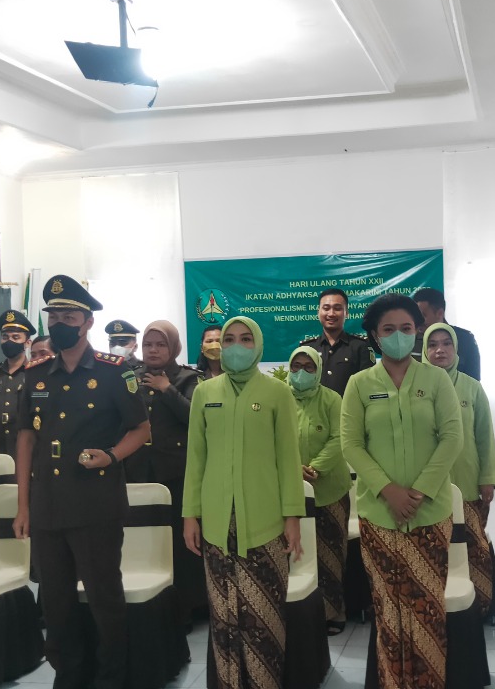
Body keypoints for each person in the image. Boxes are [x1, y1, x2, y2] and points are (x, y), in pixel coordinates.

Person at [13, 275, 151, 689]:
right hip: (48, 506)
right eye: (53, 316)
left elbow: (141, 429)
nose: (59, 324)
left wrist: (112, 455)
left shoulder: (114, 372)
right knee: (55, 603)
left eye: (68, 317)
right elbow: (26, 439)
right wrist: (23, 506)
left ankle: (111, 677)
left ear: (87, 322)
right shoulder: (36, 374)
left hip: (96, 504)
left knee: (104, 598)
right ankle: (69, 675)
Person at [340, 293, 462, 688]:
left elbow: (452, 438)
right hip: (379, 515)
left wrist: (420, 491)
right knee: (389, 612)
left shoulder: (436, 379)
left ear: (417, 331)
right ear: (375, 336)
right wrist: (388, 490)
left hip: (430, 513)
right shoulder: (360, 384)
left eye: (406, 328)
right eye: (388, 329)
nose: (398, 336)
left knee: (428, 611)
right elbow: (351, 445)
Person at [183, 316, 305, 689]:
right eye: (230, 339)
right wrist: (190, 515)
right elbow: (196, 458)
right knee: (224, 619)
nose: (237, 346)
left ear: (258, 345)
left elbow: (288, 458)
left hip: (265, 524)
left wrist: (292, 516)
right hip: (217, 524)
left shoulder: (277, 393)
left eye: (246, 339)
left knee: (264, 618)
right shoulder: (205, 392)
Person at [125, 319, 205, 621]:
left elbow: (196, 418)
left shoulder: (188, 378)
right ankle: (148, 608)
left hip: (176, 474)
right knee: (143, 542)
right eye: (148, 344)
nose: (153, 350)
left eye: (161, 344)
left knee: (179, 544)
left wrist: (167, 389)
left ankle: (184, 608)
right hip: (137, 472)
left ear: (173, 347)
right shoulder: (130, 377)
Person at [423, 322, 495, 617]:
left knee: (474, 544)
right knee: (437, 545)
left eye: (446, 343)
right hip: (429, 484)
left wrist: (487, 478)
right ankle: (440, 605)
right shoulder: (416, 387)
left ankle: (480, 606)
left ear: (456, 349)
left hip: (468, 479)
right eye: (432, 344)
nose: (439, 350)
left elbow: (485, 437)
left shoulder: (472, 387)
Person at [288, 345, 353, 635]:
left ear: (318, 370)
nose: (301, 372)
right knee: (297, 552)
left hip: (329, 489)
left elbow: (340, 437)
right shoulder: (280, 398)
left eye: (308, 367)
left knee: (331, 553)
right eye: (296, 366)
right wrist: (293, 468)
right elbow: (272, 438)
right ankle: (303, 612)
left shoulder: (331, 399)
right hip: (291, 490)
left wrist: (314, 468)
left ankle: (334, 612)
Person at [298, 287, 375, 395]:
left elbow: (368, 385)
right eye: (326, 308)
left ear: (346, 313)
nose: (331, 313)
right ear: (318, 312)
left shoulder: (360, 346)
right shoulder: (308, 348)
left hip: (349, 406)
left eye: (337, 308)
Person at [0, 309, 37, 459]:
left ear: (27, 343)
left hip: (26, 452)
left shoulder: (34, 374)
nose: (9, 341)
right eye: (5, 337)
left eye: (16, 337)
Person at [414, 287, 482, 380]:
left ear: (440, 313)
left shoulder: (464, 340)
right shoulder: (411, 340)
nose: (418, 321)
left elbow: (474, 380)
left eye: (423, 315)